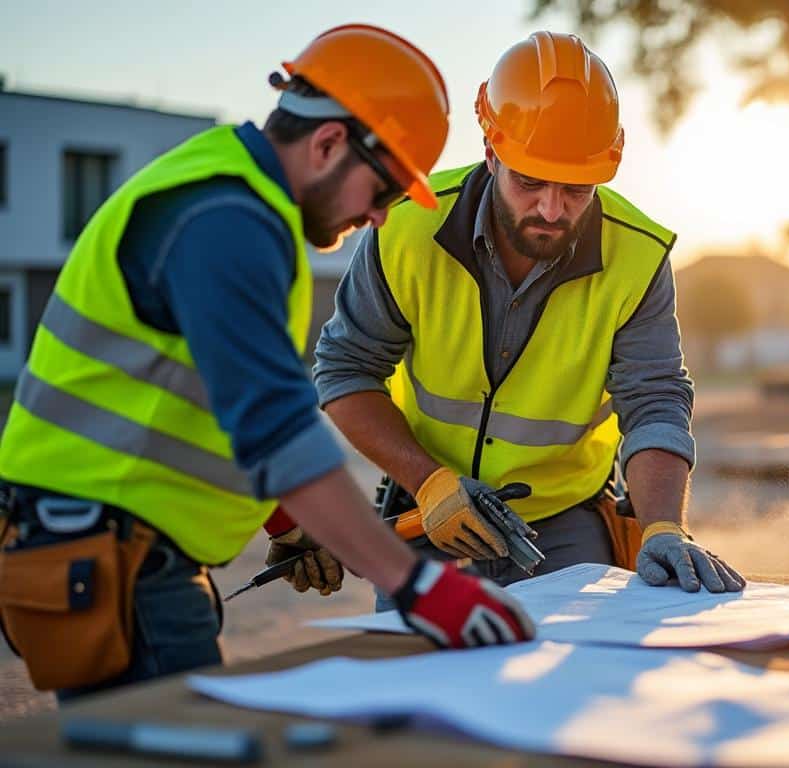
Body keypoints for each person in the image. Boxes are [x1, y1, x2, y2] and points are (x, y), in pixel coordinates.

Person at [0, 24, 533, 702]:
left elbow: (208, 402)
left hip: (109, 549)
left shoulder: (234, 202)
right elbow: (276, 429)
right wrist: (418, 584)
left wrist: (287, 523)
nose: (377, 217)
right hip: (115, 560)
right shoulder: (227, 222)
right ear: (330, 143)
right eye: (385, 190)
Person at [315, 31, 744, 608]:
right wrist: (430, 482)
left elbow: (656, 399)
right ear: (492, 153)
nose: (551, 208)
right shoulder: (405, 228)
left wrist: (662, 526)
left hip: (563, 522)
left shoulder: (638, 258)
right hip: (430, 511)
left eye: (575, 189)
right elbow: (345, 371)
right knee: (412, 683)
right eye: (530, 181)